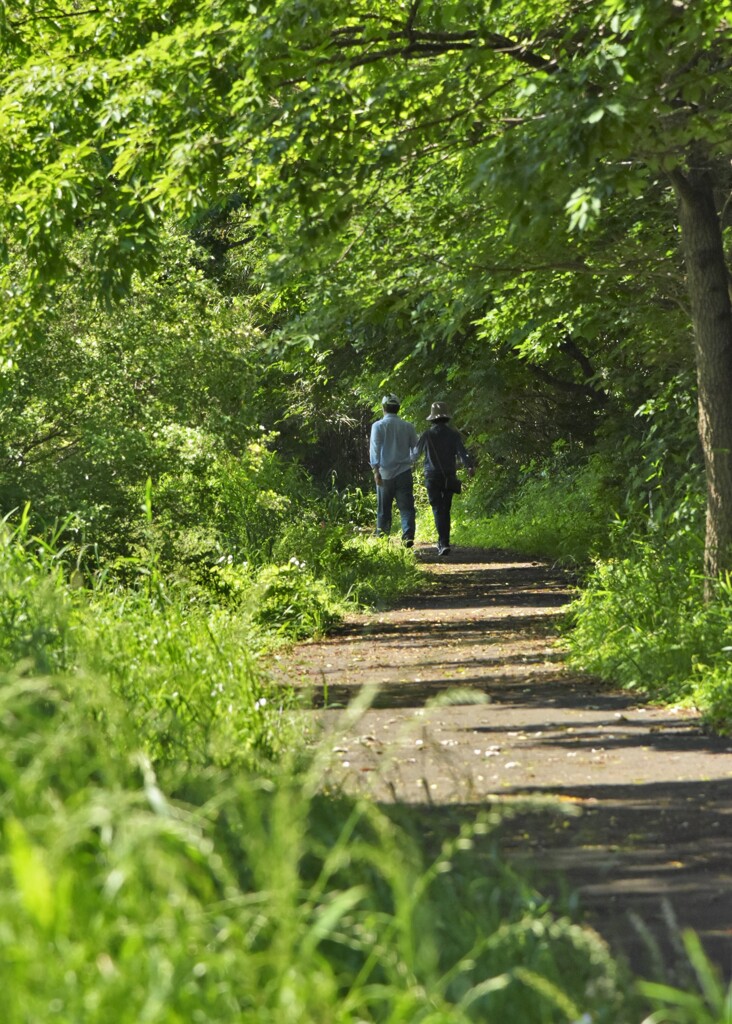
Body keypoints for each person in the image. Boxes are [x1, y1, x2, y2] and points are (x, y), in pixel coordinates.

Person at [412, 401, 474, 556]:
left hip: (432, 476)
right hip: (449, 476)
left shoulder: (426, 435)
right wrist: (469, 466)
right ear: (447, 418)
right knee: (446, 508)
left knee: (437, 508)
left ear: (432, 418)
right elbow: (462, 453)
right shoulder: (454, 435)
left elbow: (414, 455)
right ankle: (444, 541)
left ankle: (443, 542)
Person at [369, 393, 418, 546]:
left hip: (384, 474)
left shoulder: (378, 426)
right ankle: (408, 536)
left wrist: (375, 470)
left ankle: (383, 539)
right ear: (398, 408)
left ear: (383, 408)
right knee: (407, 507)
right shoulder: (408, 426)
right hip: (404, 472)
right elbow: (416, 449)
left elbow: (374, 449)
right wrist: (410, 460)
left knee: (383, 509)